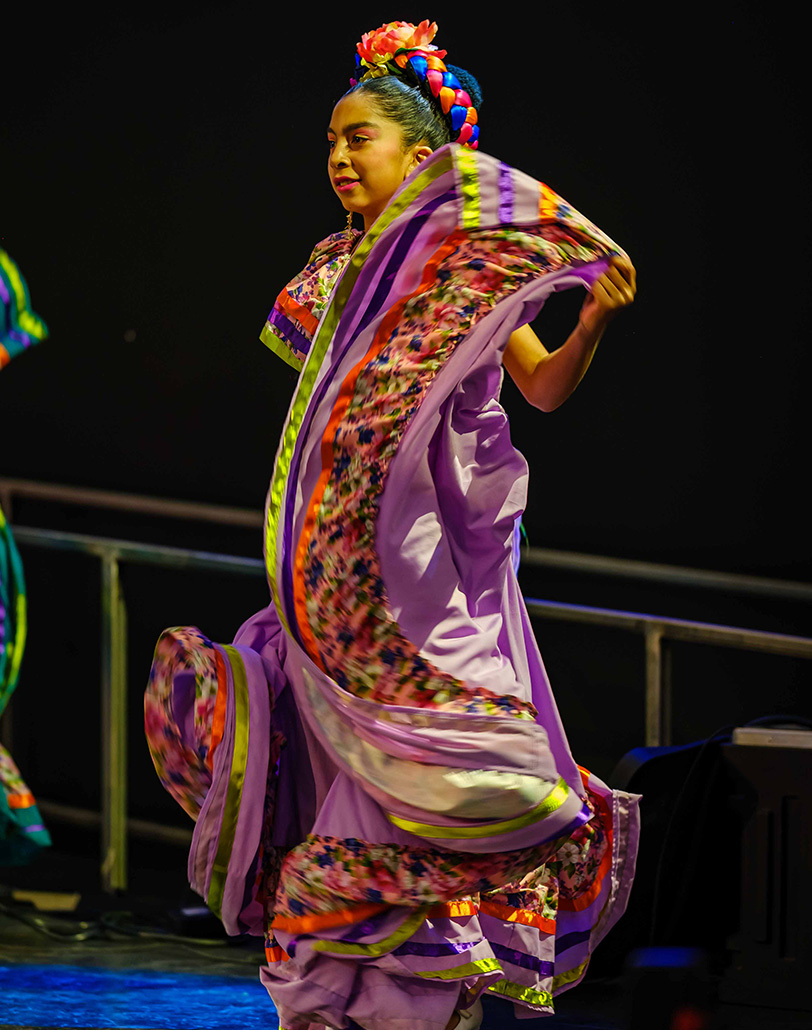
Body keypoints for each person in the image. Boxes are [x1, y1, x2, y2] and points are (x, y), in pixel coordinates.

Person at [145, 20, 639, 1030]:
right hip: (345, 556)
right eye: (328, 140)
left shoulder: (461, 275)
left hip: (431, 558)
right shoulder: (343, 271)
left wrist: (591, 317)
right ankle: (348, 996)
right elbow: (336, 415)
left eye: (356, 137)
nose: (335, 156)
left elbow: (538, 387)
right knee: (343, 763)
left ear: (420, 159)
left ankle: (422, 993)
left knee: (451, 761)